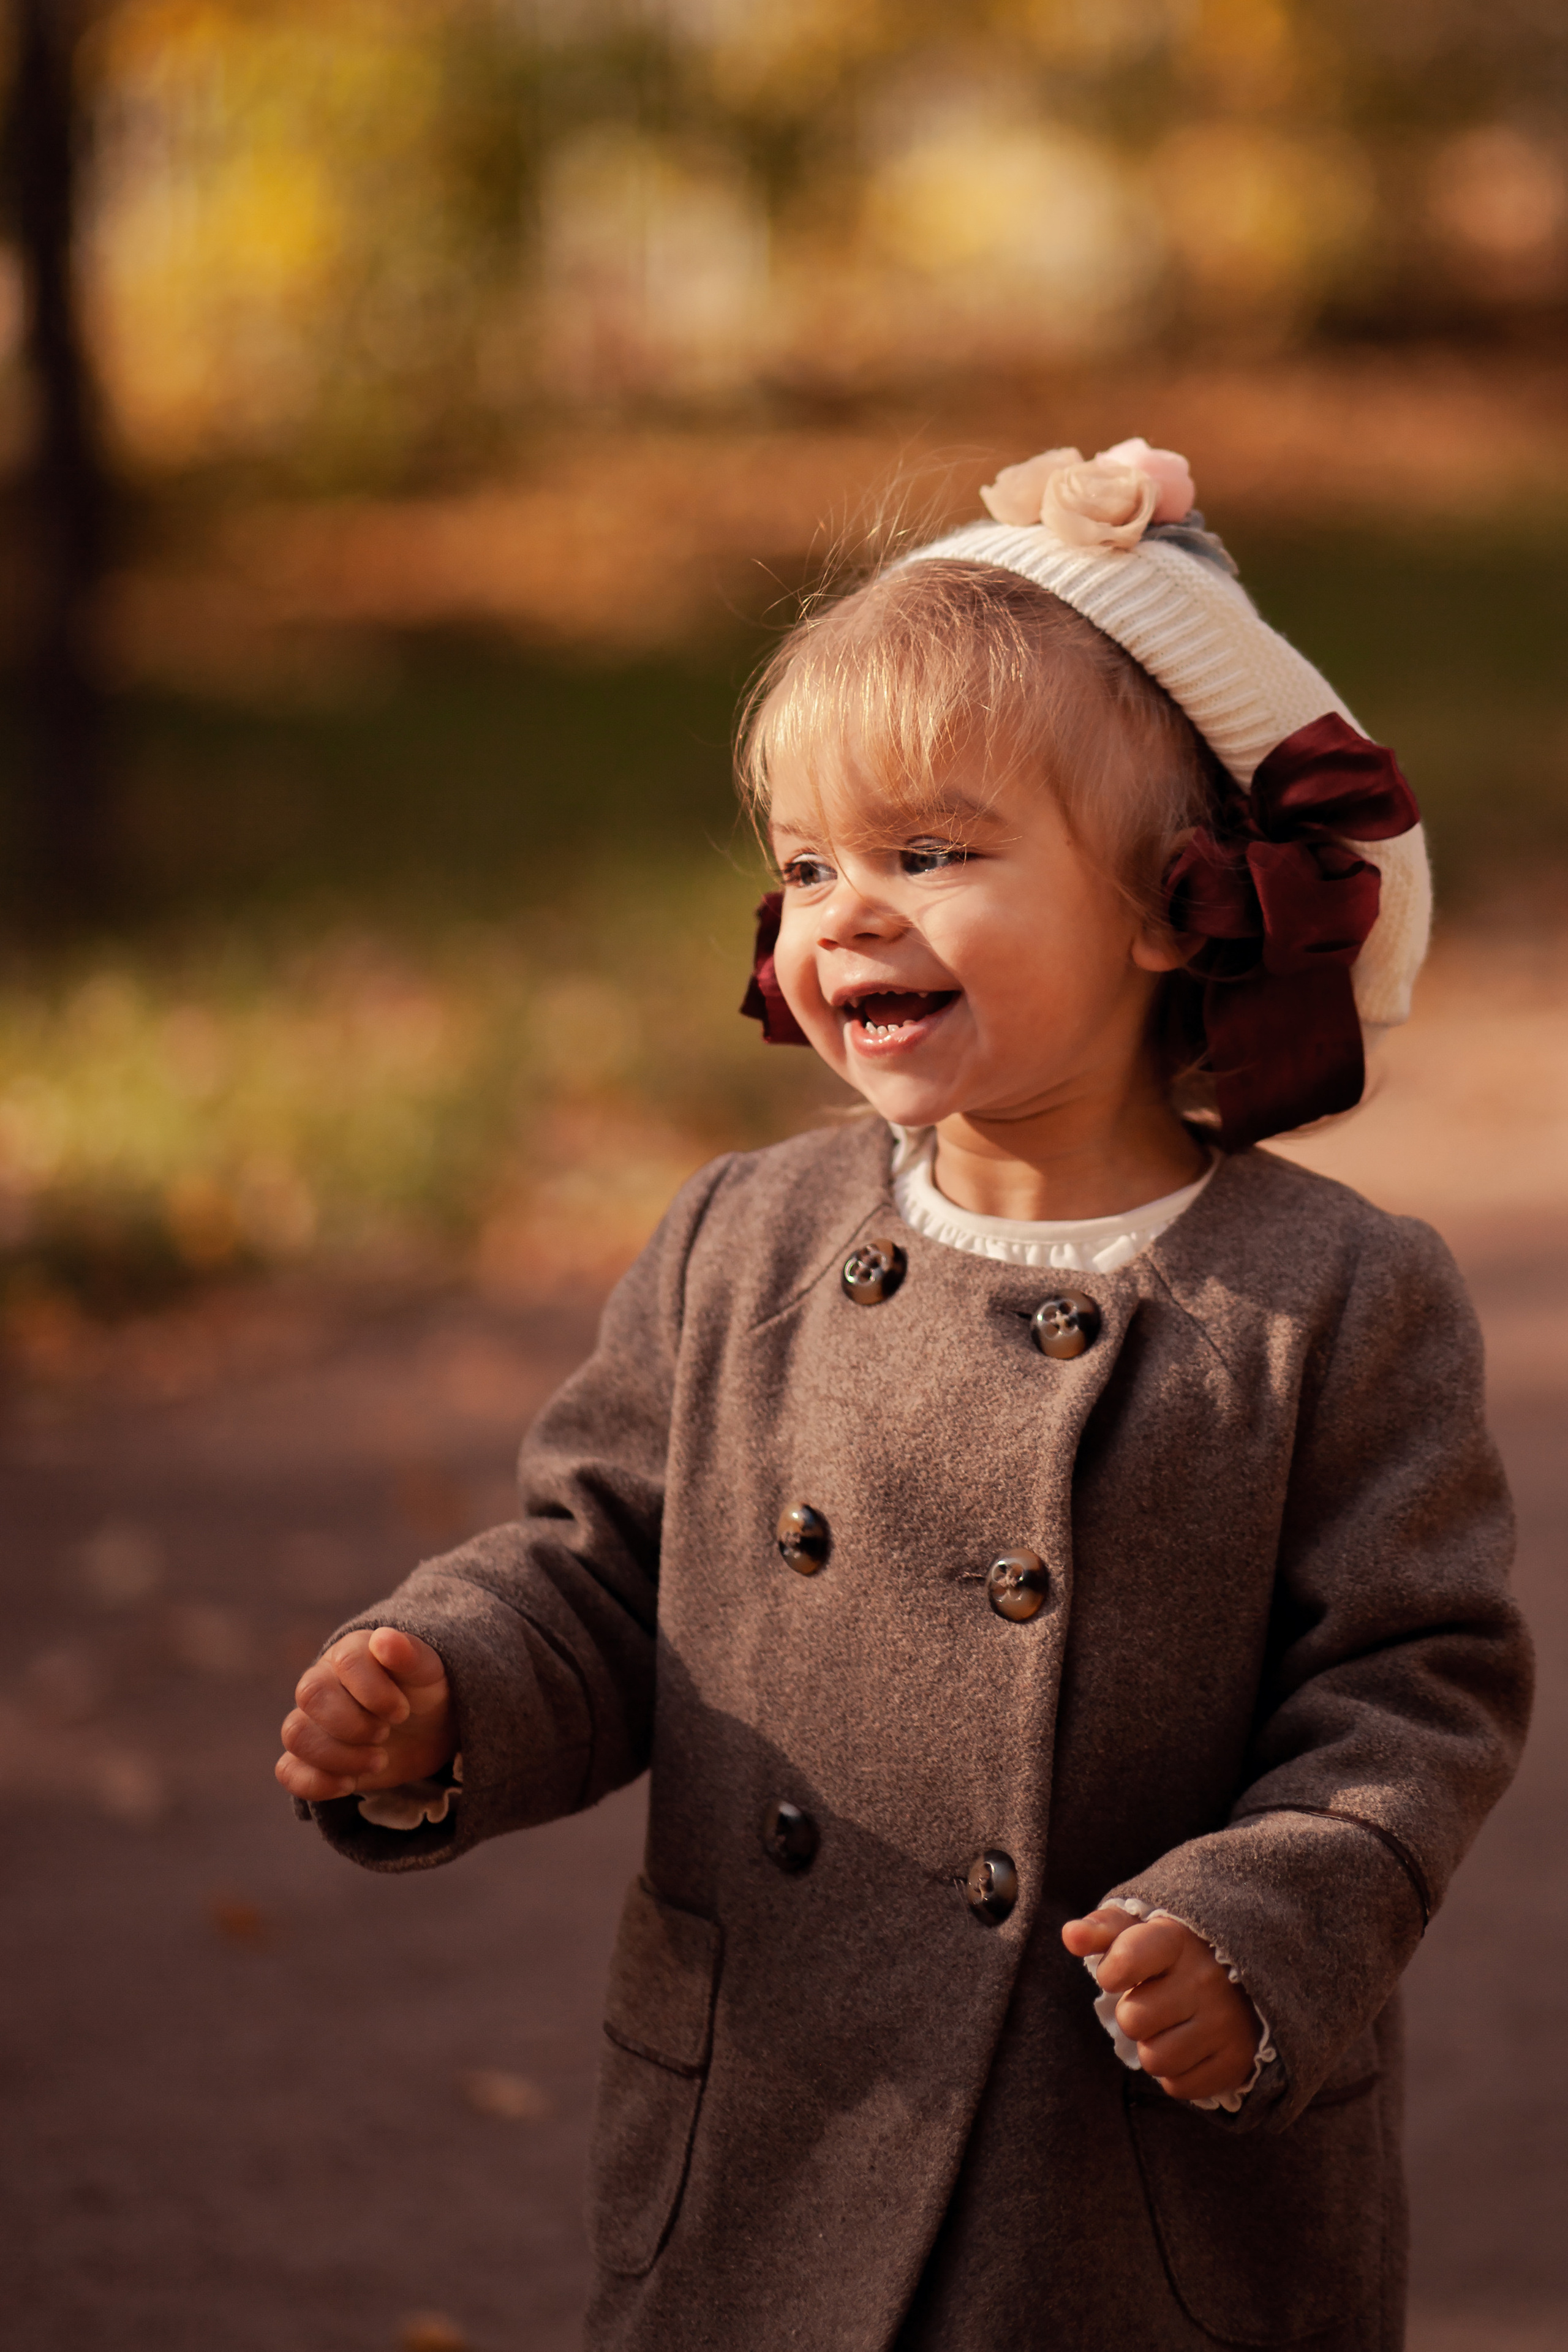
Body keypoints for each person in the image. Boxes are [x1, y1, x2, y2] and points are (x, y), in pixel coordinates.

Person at [276, 439, 1531, 2351]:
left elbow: (1412, 1693)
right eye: (806, 866)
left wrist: (1264, 1930)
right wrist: (447, 1685)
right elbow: (606, 1567)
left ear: (1169, 907)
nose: (845, 911)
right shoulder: (741, 1241)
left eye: (931, 854)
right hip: (777, 2117)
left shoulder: (1334, 1297)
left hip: (1124, 2183)